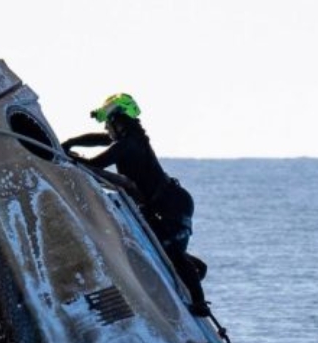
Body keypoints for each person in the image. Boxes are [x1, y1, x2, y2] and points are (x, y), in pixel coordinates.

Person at [61, 93, 209, 316]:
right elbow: (100, 140)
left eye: (108, 122)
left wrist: (70, 156)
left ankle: (200, 304)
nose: (106, 127)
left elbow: (96, 164)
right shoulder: (128, 138)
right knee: (163, 248)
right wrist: (71, 143)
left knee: (172, 251)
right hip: (162, 204)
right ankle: (196, 268)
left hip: (173, 203)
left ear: (117, 120)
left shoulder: (129, 144)